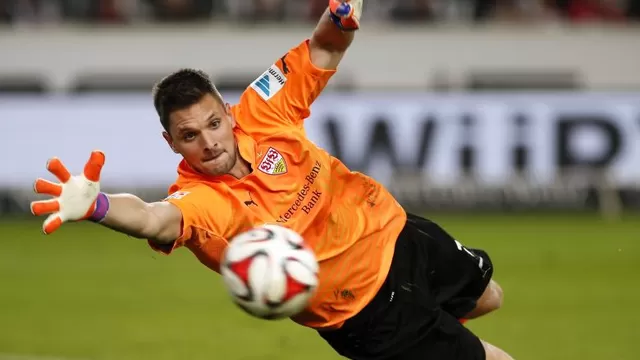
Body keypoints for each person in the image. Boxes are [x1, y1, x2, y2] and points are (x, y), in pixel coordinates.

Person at [30, 1, 514, 359]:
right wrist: (99, 207)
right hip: (365, 309)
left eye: (214, 124)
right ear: (171, 143)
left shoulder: (263, 110)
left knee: (490, 296)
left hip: (396, 231)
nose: (210, 142)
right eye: (190, 136)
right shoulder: (203, 202)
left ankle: (430, 334)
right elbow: (155, 219)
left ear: (227, 111)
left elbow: (326, 44)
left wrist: (342, 13)